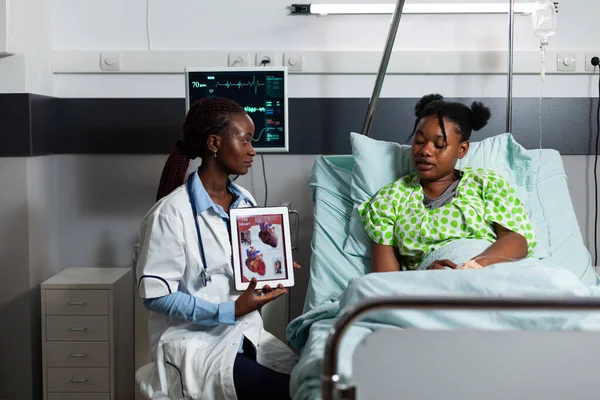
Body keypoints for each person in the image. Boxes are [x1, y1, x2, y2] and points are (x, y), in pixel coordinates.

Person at [136, 97, 300, 400]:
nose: (253, 150)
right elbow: (156, 296)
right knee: (290, 393)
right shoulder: (171, 213)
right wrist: (232, 309)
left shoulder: (245, 201)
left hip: (244, 335)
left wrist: (275, 266)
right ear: (214, 143)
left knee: (312, 383)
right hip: (196, 345)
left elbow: (242, 266)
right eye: (246, 140)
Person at [358, 94, 537, 272]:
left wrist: (470, 268)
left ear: (462, 149)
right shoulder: (390, 200)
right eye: (419, 141)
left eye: (439, 144)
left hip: (490, 271)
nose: (425, 151)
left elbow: (516, 240)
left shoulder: (485, 183)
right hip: (432, 285)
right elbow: (385, 281)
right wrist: (427, 277)